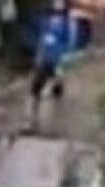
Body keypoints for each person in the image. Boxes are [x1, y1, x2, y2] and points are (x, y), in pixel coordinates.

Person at [30, 0, 73, 129]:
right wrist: (38, 56)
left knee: (57, 88)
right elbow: (41, 39)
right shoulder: (45, 21)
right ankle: (34, 117)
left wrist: (63, 61)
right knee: (36, 87)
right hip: (44, 58)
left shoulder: (67, 24)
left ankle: (57, 118)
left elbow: (68, 44)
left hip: (56, 59)